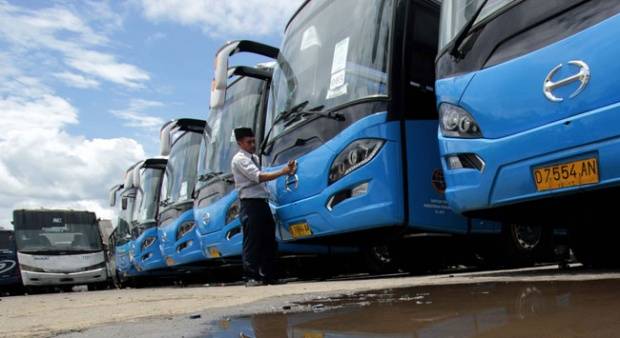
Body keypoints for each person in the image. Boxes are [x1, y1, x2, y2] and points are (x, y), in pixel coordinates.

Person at [231, 127, 297, 286]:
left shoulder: (254, 158)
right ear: (240, 143)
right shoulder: (240, 159)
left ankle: (270, 275)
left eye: (253, 141)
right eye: (249, 142)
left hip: (262, 202)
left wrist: (286, 171)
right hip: (250, 204)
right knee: (252, 241)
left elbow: (265, 172)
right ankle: (251, 276)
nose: (253, 144)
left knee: (269, 239)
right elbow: (259, 177)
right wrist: (283, 171)